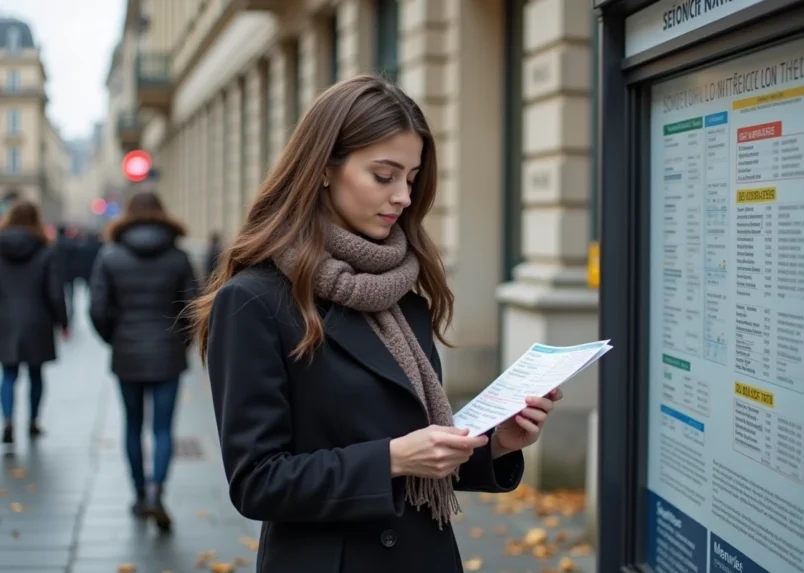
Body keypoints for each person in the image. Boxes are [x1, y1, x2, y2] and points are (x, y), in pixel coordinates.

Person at [187, 75, 564, 573]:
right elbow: (257, 481)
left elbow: (422, 450)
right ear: (323, 169)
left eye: (410, 178)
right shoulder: (254, 301)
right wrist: (389, 459)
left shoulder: (404, 297)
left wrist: (496, 444)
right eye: (384, 176)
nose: (404, 197)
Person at [89, 191, 197, 532]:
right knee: (163, 429)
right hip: (167, 352)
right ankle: (157, 492)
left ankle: (138, 494)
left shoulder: (110, 256)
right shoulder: (178, 257)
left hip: (128, 352)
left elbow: (97, 309)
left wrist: (115, 337)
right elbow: (193, 306)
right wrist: (182, 341)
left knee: (132, 426)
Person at [0, 200, 68, 444]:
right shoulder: (46, 249)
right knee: (36, 374)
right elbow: (54, 292)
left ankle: (8, 420)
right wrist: (64, 321)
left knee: (8, 373)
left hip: (5, 319)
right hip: (38, 318)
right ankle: (33, 421)